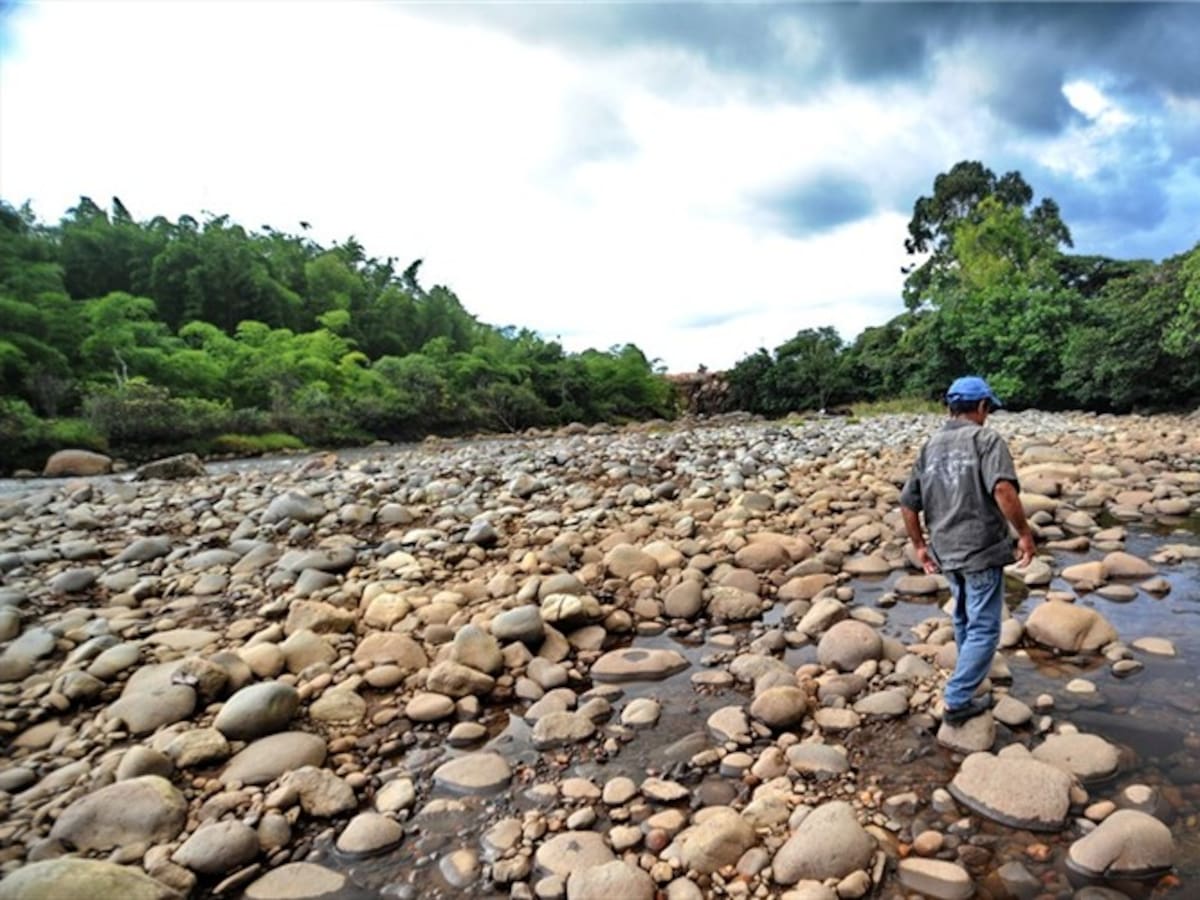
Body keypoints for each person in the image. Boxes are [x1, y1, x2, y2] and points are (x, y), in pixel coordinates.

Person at [899, 376, 1036, 725]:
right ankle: (958, 700)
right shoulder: (986, 439)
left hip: (946, 548)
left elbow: (908, 503)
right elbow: (1003, 490)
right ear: (981, 407)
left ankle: (966, 681)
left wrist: (919, 545)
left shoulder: (930, 447)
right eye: (988, 409)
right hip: (981, 547)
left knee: (962, 616)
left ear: (949, 407)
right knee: (985, 627)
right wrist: (1024, 533)